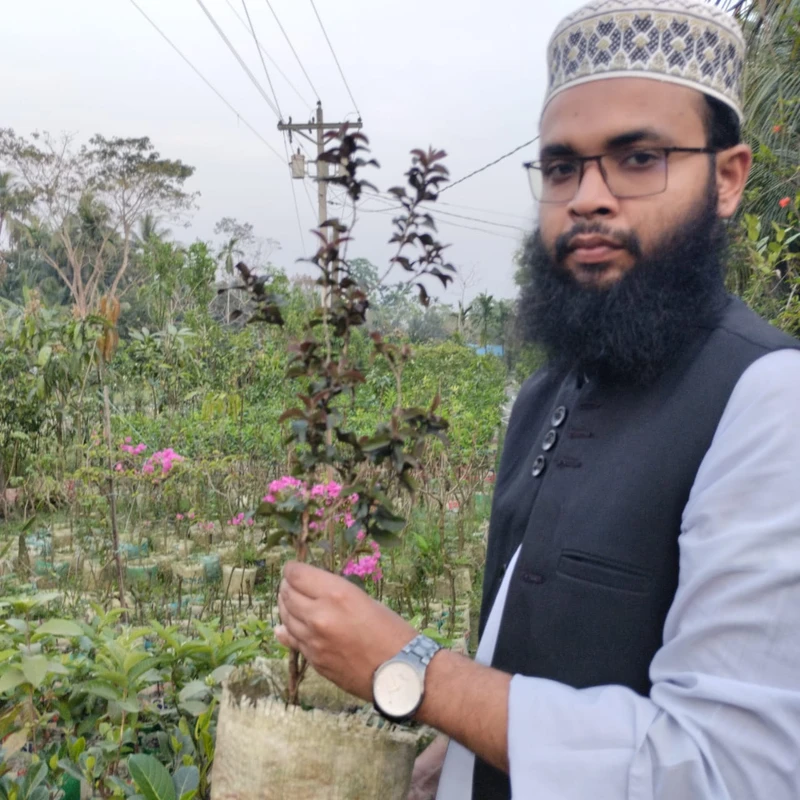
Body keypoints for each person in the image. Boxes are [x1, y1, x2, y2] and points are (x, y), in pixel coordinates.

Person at [275, 0, 800, 797]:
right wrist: (458, 749)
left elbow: (724, 770)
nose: (588, 196)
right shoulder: (546, 392)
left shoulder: (768, 400)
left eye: (638, 158)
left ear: (727, 179)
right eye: (562, 167)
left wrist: (412, 670)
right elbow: (524, 637)